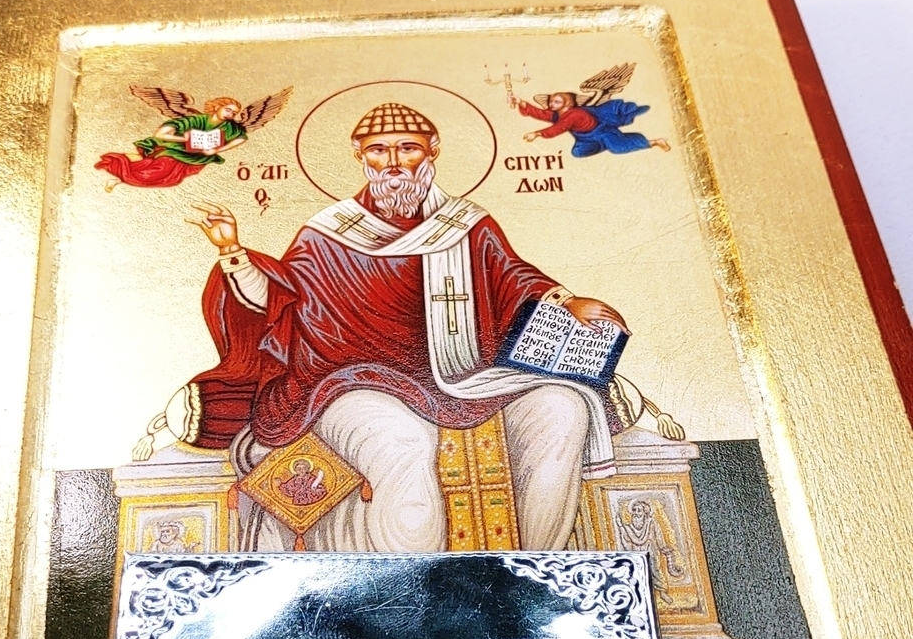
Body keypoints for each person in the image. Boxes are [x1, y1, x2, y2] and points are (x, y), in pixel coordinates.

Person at [153, 101, 631, 551]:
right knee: (403, 440)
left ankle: (530, 574)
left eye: (408, 148)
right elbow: (282, 301)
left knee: (561, 406)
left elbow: (511, 278)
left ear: (432, 151)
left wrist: (567, 301)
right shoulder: (329, 231)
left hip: (463, 377)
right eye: (380, 150)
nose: (394, 162)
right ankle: (415, 589)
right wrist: (233, 253)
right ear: (360, 156)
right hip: (348, 382)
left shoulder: (466, 225)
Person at [96, 98, 247, 190]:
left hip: (197, 157)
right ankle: (119, 169)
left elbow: (241, 138)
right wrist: (185, 139)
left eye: (234, 113)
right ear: (217, 107)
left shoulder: (230, 127)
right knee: (159, 171)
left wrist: (218, 149)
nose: (230, 115)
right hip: (175, 150)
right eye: (228, 110)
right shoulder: (196, 120)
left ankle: (121, 176)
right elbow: (160, 134)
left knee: (171, 178)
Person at [513, 91, 670, 157]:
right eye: (551, 101)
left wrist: (538, 134)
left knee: (618, 148)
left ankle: (654, 142)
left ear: (567, 103)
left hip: (601, 132)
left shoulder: (574, 114)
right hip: (585, 138)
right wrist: (521, 103)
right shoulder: (558, 114)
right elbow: (541, 114)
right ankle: (606, 144)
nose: (551, 104)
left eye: (556, 102)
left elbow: (560, 127)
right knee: (578, 152)